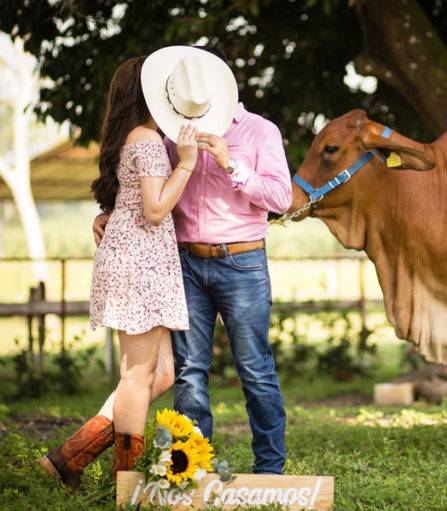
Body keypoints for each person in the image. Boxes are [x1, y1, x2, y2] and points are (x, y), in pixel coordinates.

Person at [94, 46, 292, 474]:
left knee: (255, 369)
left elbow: (281, 198)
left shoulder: (260, 131)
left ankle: (270, 469)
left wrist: (228, 161)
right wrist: (111, 215)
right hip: (185, 263)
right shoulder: (167, 133)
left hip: (242, 264)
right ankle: (190, 469)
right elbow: (147, 192)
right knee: (188, 374)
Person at [40, 53, 206, 488]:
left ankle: (67, 458)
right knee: (136, 376)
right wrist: (186, 163)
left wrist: (108, 215)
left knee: (162, 374)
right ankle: (126, 483)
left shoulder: (133, 136)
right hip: (141, 263)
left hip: (140, 259)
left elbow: (132, 202)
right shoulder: (148, 141)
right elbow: (154, 209)